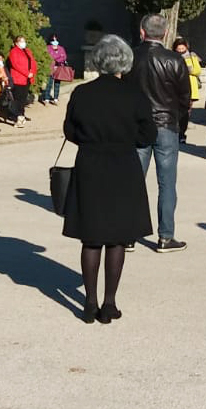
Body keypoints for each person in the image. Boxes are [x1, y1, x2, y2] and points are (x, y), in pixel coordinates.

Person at [62, 35, 156, 323]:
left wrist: (91, 141)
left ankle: (89, 303)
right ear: (125, 62)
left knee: (91, 239)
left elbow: (70, 131)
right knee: (117, 238)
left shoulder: (81, 93)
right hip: (123, 166)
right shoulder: (134, 95)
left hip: (90, 164)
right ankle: (109, 303)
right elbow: (147, 136)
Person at [126, 14, 191, 253]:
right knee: (167, 184)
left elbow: (122, 91)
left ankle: (128, 235)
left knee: (133, 182)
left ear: (142, 32)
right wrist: (179, 119)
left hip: (138, 125)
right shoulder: (174, 60)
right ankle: (166, 236)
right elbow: (185, 97)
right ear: (165, 34)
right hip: (166, 124)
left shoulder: (131, 57)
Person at [171, 37, 202, 142]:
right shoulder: (171, 57)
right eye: (178, 49)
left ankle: (182, 133)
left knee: (186, 112)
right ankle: (175, 132)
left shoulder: (192, 56)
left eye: (182, 49)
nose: (180, 51)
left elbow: (197, 70)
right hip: (175, 89)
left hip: (190, 88)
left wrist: (186, 68)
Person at [8, 35, 37, 126]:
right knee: (18, 98)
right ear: (16, 43)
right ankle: (18, 115)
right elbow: (16, 65)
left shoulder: (27, 51)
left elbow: (33, 62)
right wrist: (26, 73)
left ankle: (22, 114)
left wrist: (32, 72)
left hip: (27, 79)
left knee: (23, 98)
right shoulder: (13, 52)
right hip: (19, 78)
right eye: (21, 41)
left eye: (24, 41)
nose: (23, 43)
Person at [40, 35, 68, 106]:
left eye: (56, 40)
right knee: (49, 84)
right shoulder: (48, 48)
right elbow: (48, 57)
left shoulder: (61, 48)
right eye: (53, 40)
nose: (55, 42)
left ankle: (55, 98)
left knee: (57, 84)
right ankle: (47, 98)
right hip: (50, 68)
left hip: (59, 68)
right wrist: (58, 57)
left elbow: (64, 57)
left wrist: (56, 59)